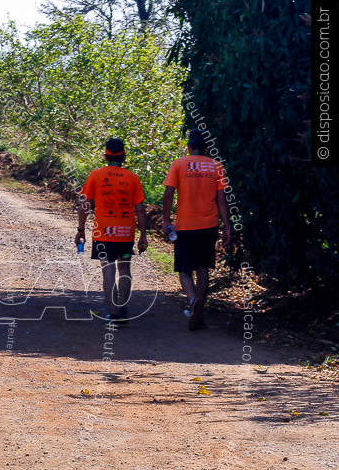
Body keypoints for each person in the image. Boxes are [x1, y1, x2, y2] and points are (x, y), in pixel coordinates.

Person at [162, 129, 231, 331]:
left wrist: (166, 219)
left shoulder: (178, 164)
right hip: (209, 225)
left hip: (185, 225)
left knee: (184, 269)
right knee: (203, 268)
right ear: (206, 148)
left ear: (189, 147)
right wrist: (227, 225)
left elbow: (168, 193)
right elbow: (222, 200)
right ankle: (198, 313)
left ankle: (192, 301)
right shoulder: (216, 166)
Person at [77, 138, 147, 322]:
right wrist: (143, 236)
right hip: (125, 233)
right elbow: (140, 209)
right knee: (124, 268)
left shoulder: (96, 175)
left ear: (105, 156)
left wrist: (81, 229)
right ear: (124, 156)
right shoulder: (132, 178)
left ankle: (113, 313)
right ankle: (123, 309)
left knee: (108, 269)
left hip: (104, 233)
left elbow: (85, 204)